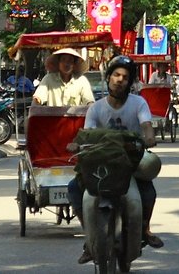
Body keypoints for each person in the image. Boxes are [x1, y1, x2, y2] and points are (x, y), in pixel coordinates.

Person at [69, 55, 163, 264]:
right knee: (74, 189)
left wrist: (149, 137)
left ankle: (145, 230)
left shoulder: (139, 103)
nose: (120, 80)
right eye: (116, 75)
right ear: (109, 78)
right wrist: (79, 144)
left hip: (130, 161)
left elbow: (146, 125)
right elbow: (89, 133)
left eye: (125, 77)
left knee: (147, 192)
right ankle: (89, 239)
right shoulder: (96, 108)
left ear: (130, 82)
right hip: (102, 163)